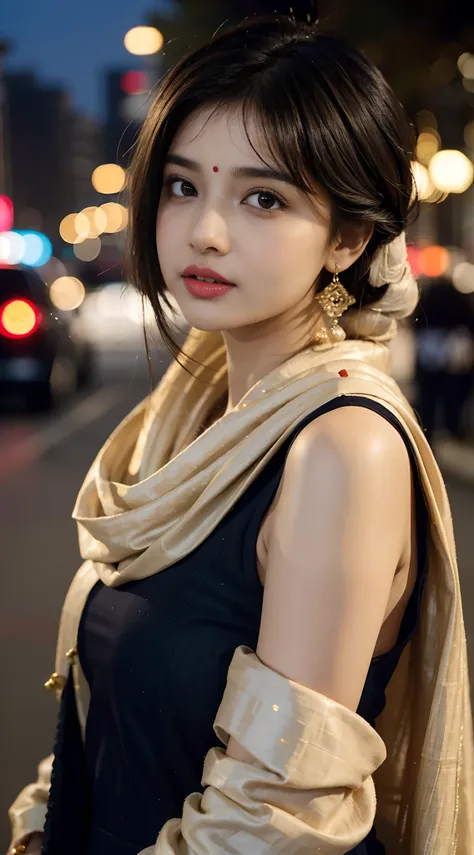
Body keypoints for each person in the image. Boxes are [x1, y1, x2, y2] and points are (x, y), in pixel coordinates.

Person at [8, 15, 473, 855]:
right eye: (184, 186)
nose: (206, 231)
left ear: (348, 237)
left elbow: (273, 816)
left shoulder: (340, 447)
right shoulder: (189, 416)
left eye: (264, 198)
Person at [414, 276, 474, 442]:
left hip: (429, 351)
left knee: (428, 397)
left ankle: (428, 429)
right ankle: (452, 427)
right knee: (450, 395)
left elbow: (417, 323)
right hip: (450, 352)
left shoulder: (428, 303)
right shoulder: (459, 302)